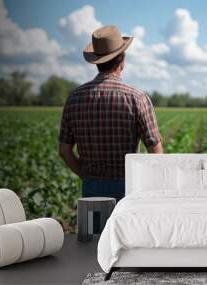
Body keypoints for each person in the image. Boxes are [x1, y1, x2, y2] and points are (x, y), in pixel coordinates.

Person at [58, 25, 163, 232]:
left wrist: (87, 175)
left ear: (96, 62)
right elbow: (155, 151)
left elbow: (64, 151)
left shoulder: (75, 98)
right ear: (122, 61)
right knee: (128, 248)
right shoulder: (136, 98)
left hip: (91, 188)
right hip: (127, 189)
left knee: (92, 251)